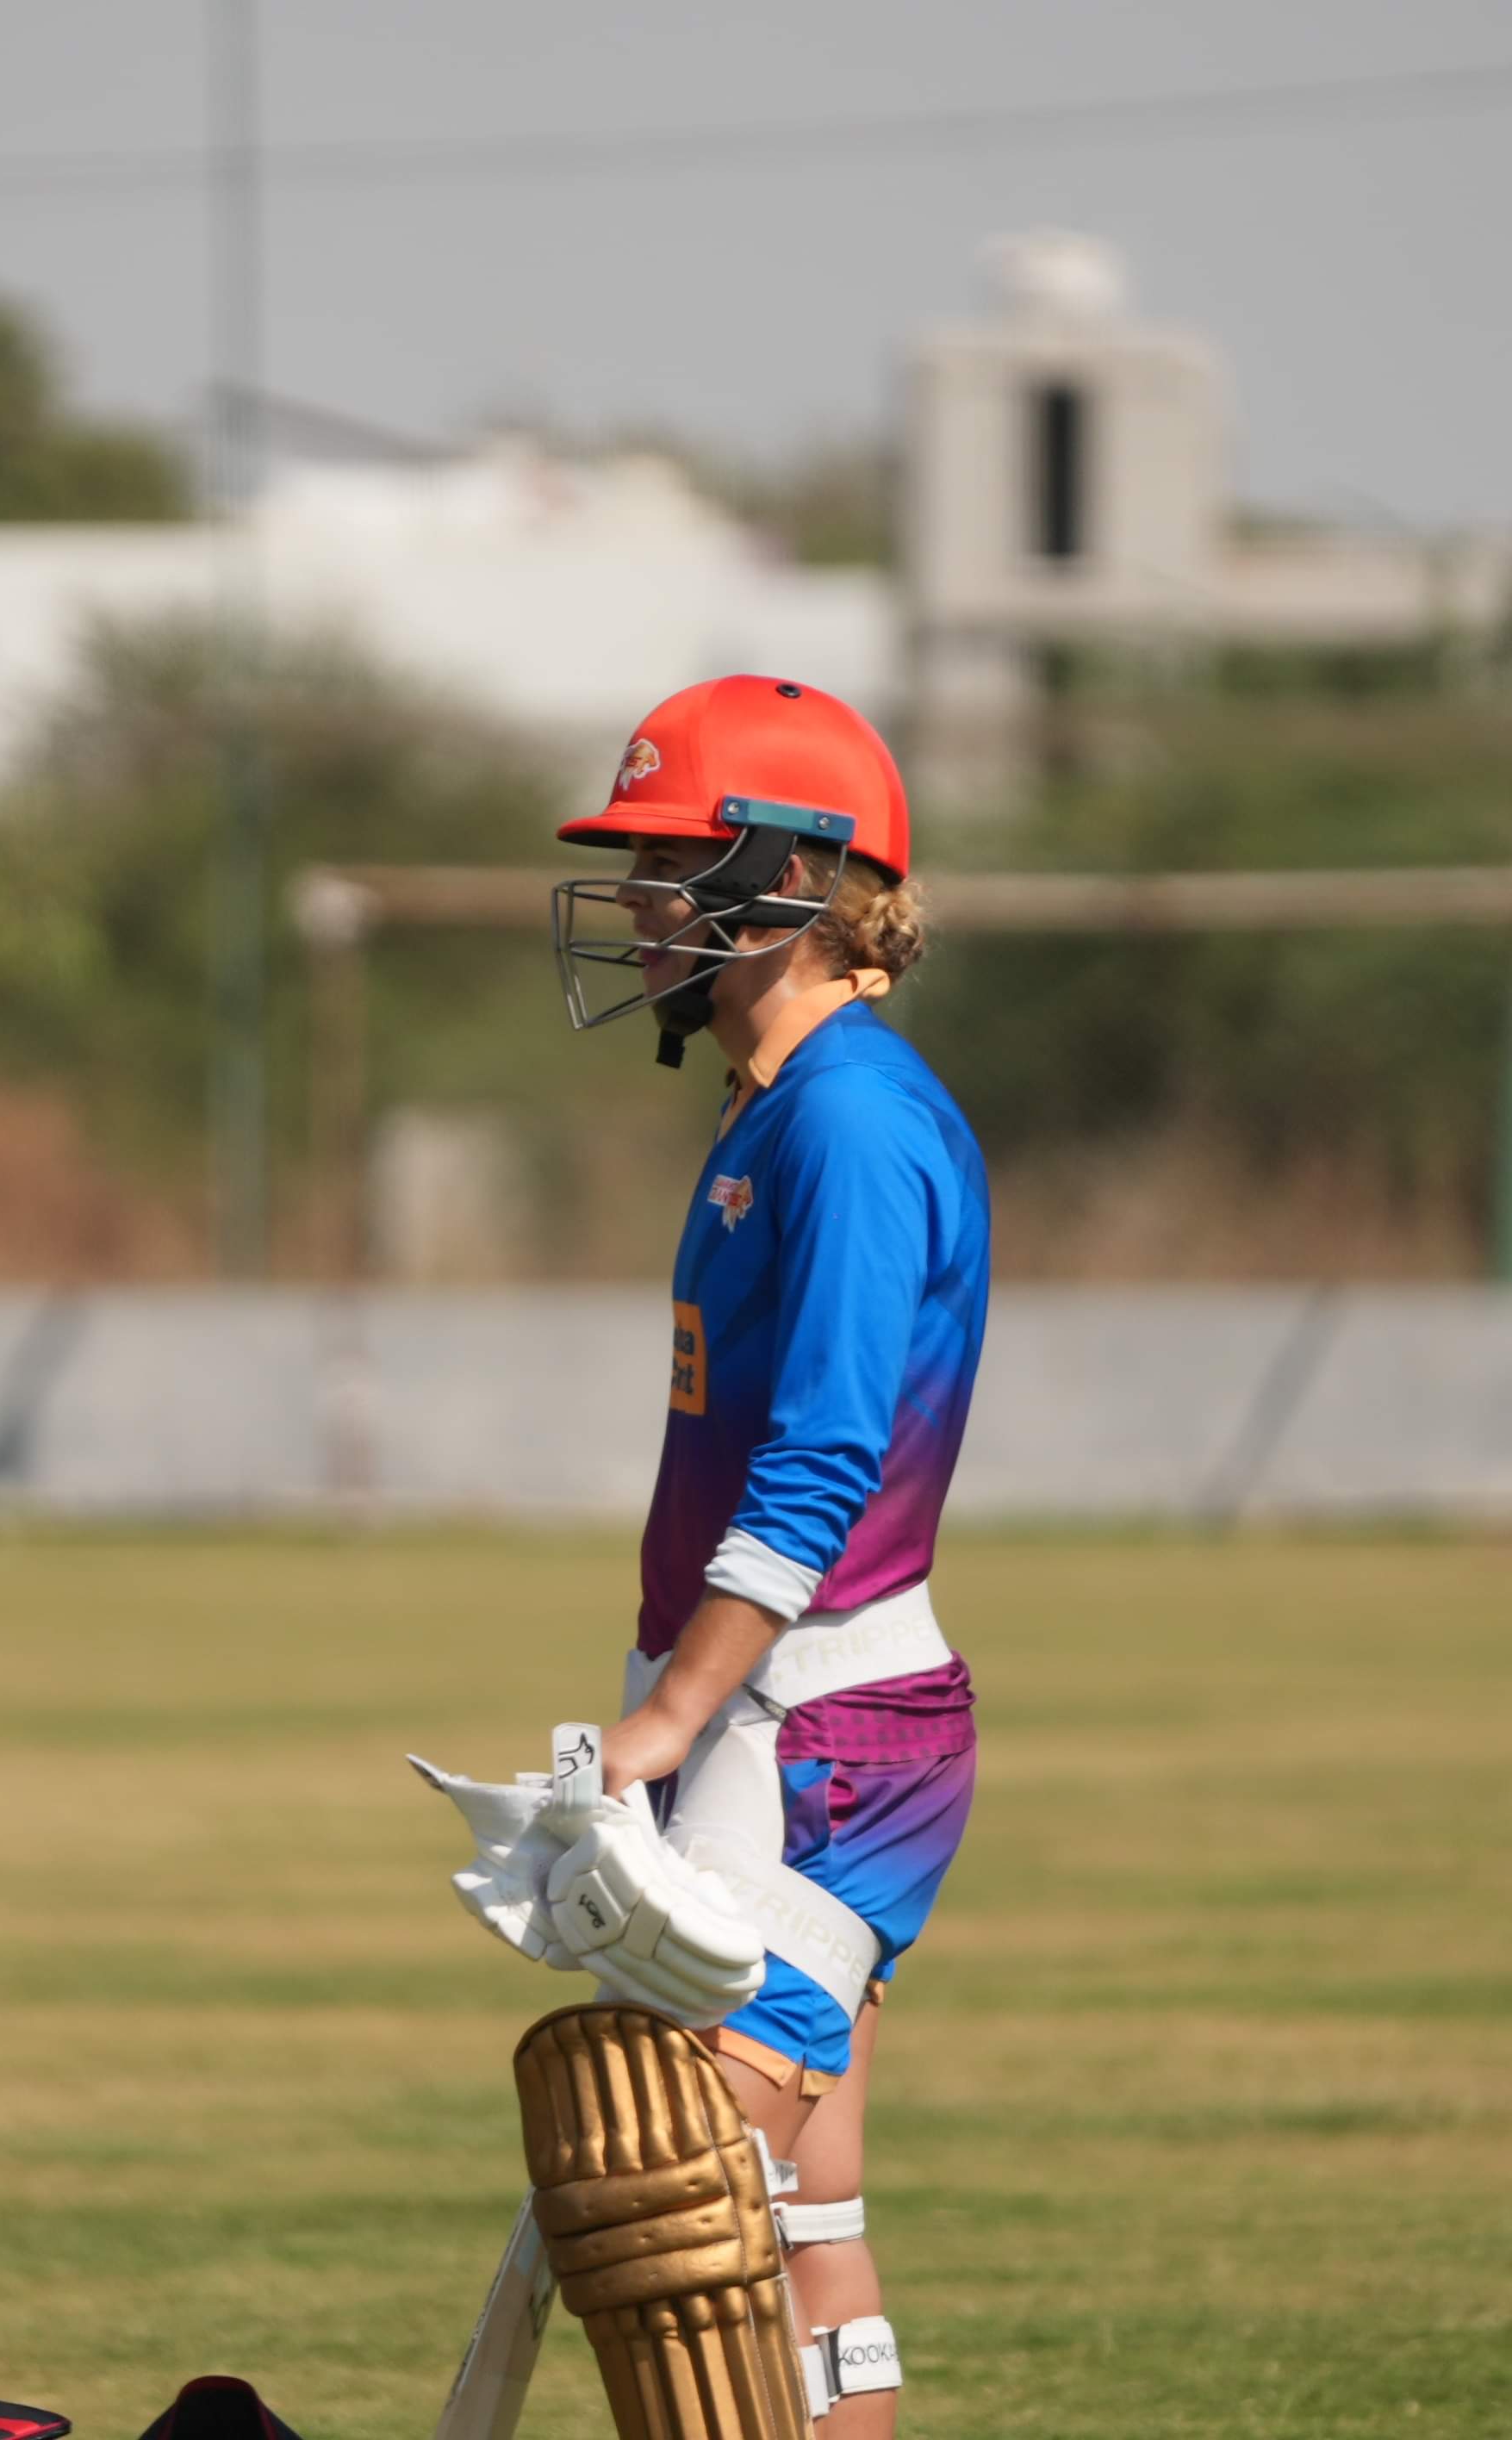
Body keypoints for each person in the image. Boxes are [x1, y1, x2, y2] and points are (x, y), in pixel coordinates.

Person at [555, 674, 990, 2435]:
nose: (638, 900)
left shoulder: (850, 1119)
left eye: (670, 863)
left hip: (816, 1735)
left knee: (681, 2221)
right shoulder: (778, 1098)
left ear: (788, 877)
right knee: (798, 2232)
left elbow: (823, 1460)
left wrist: (674, 1712)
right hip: (778, 1718)